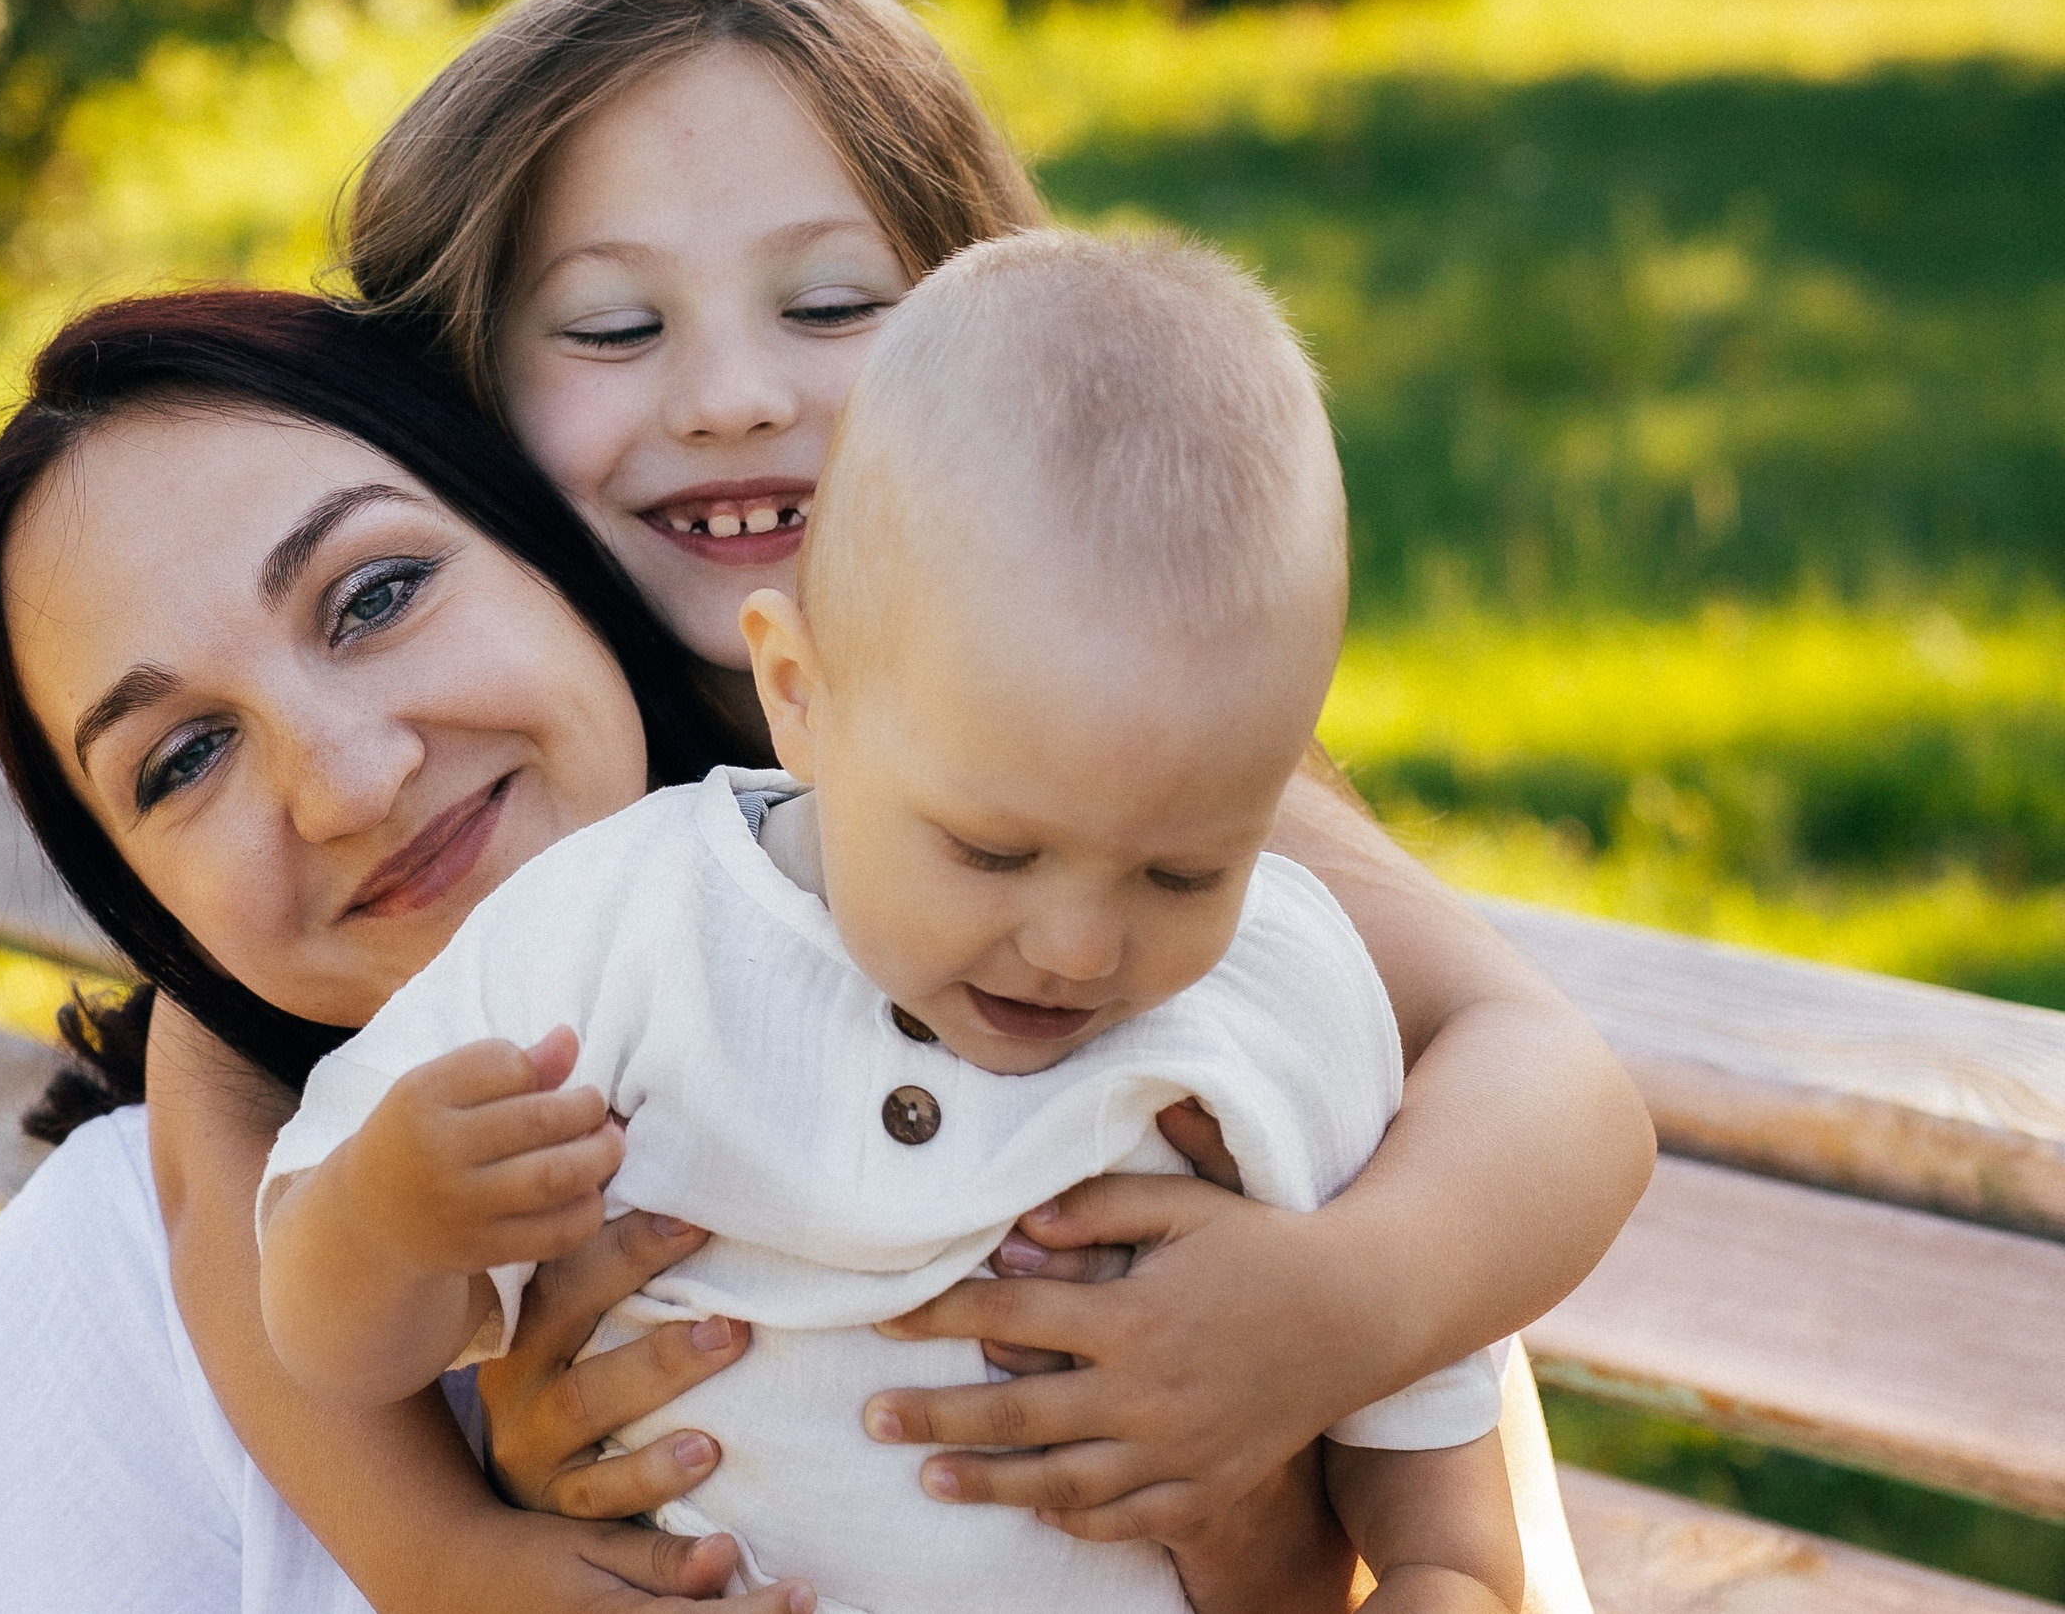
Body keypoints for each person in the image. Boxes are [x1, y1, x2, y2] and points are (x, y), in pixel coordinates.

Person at [0, 0, 1652, 1613]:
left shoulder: (1094, 775)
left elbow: (1515, 1068)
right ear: (463, 406)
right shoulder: (508, 852)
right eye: (616, 330)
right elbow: (229, 1180)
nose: (732, 399)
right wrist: (442, 1557)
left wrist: (1338, 1315)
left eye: (832, 307)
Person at [257, 231, 1527, 1614]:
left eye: (1184, 876)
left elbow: (1439, 1496)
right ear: (799, 696)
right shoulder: (617, 930)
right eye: (992, 850)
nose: (1080, 947)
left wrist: (1439, 1580)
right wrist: (387, 1218)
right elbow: (334, 1341)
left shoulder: (1284, 994)